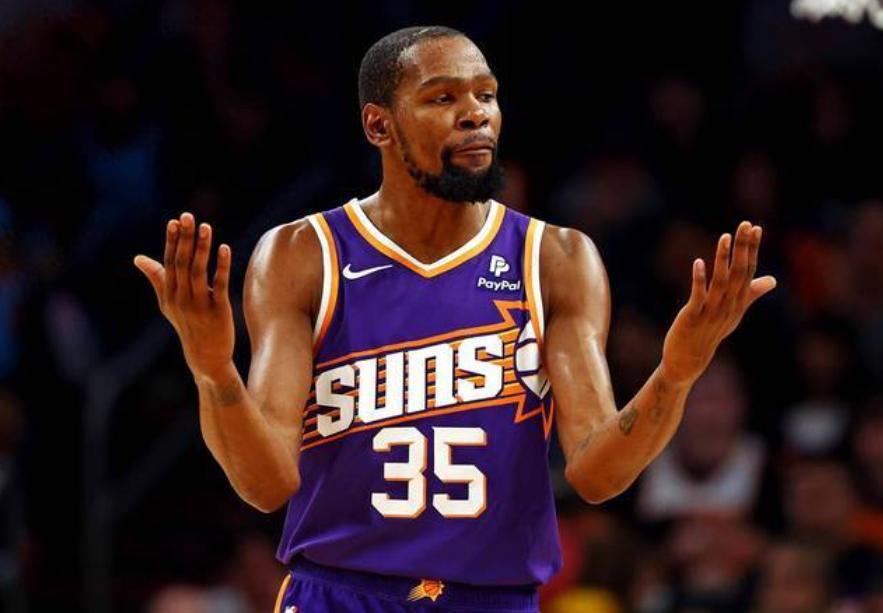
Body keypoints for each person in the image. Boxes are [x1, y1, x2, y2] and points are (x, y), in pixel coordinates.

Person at [132, 25, 776, 613]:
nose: (476, 114)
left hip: (492, 598)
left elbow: (597, 474)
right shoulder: (304, 254)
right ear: (379, 125)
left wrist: (676, 374)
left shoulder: (555, 258)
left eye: (486, 95)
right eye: (443, 98)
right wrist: (212, 369)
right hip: (339, 593)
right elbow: (266, 484)